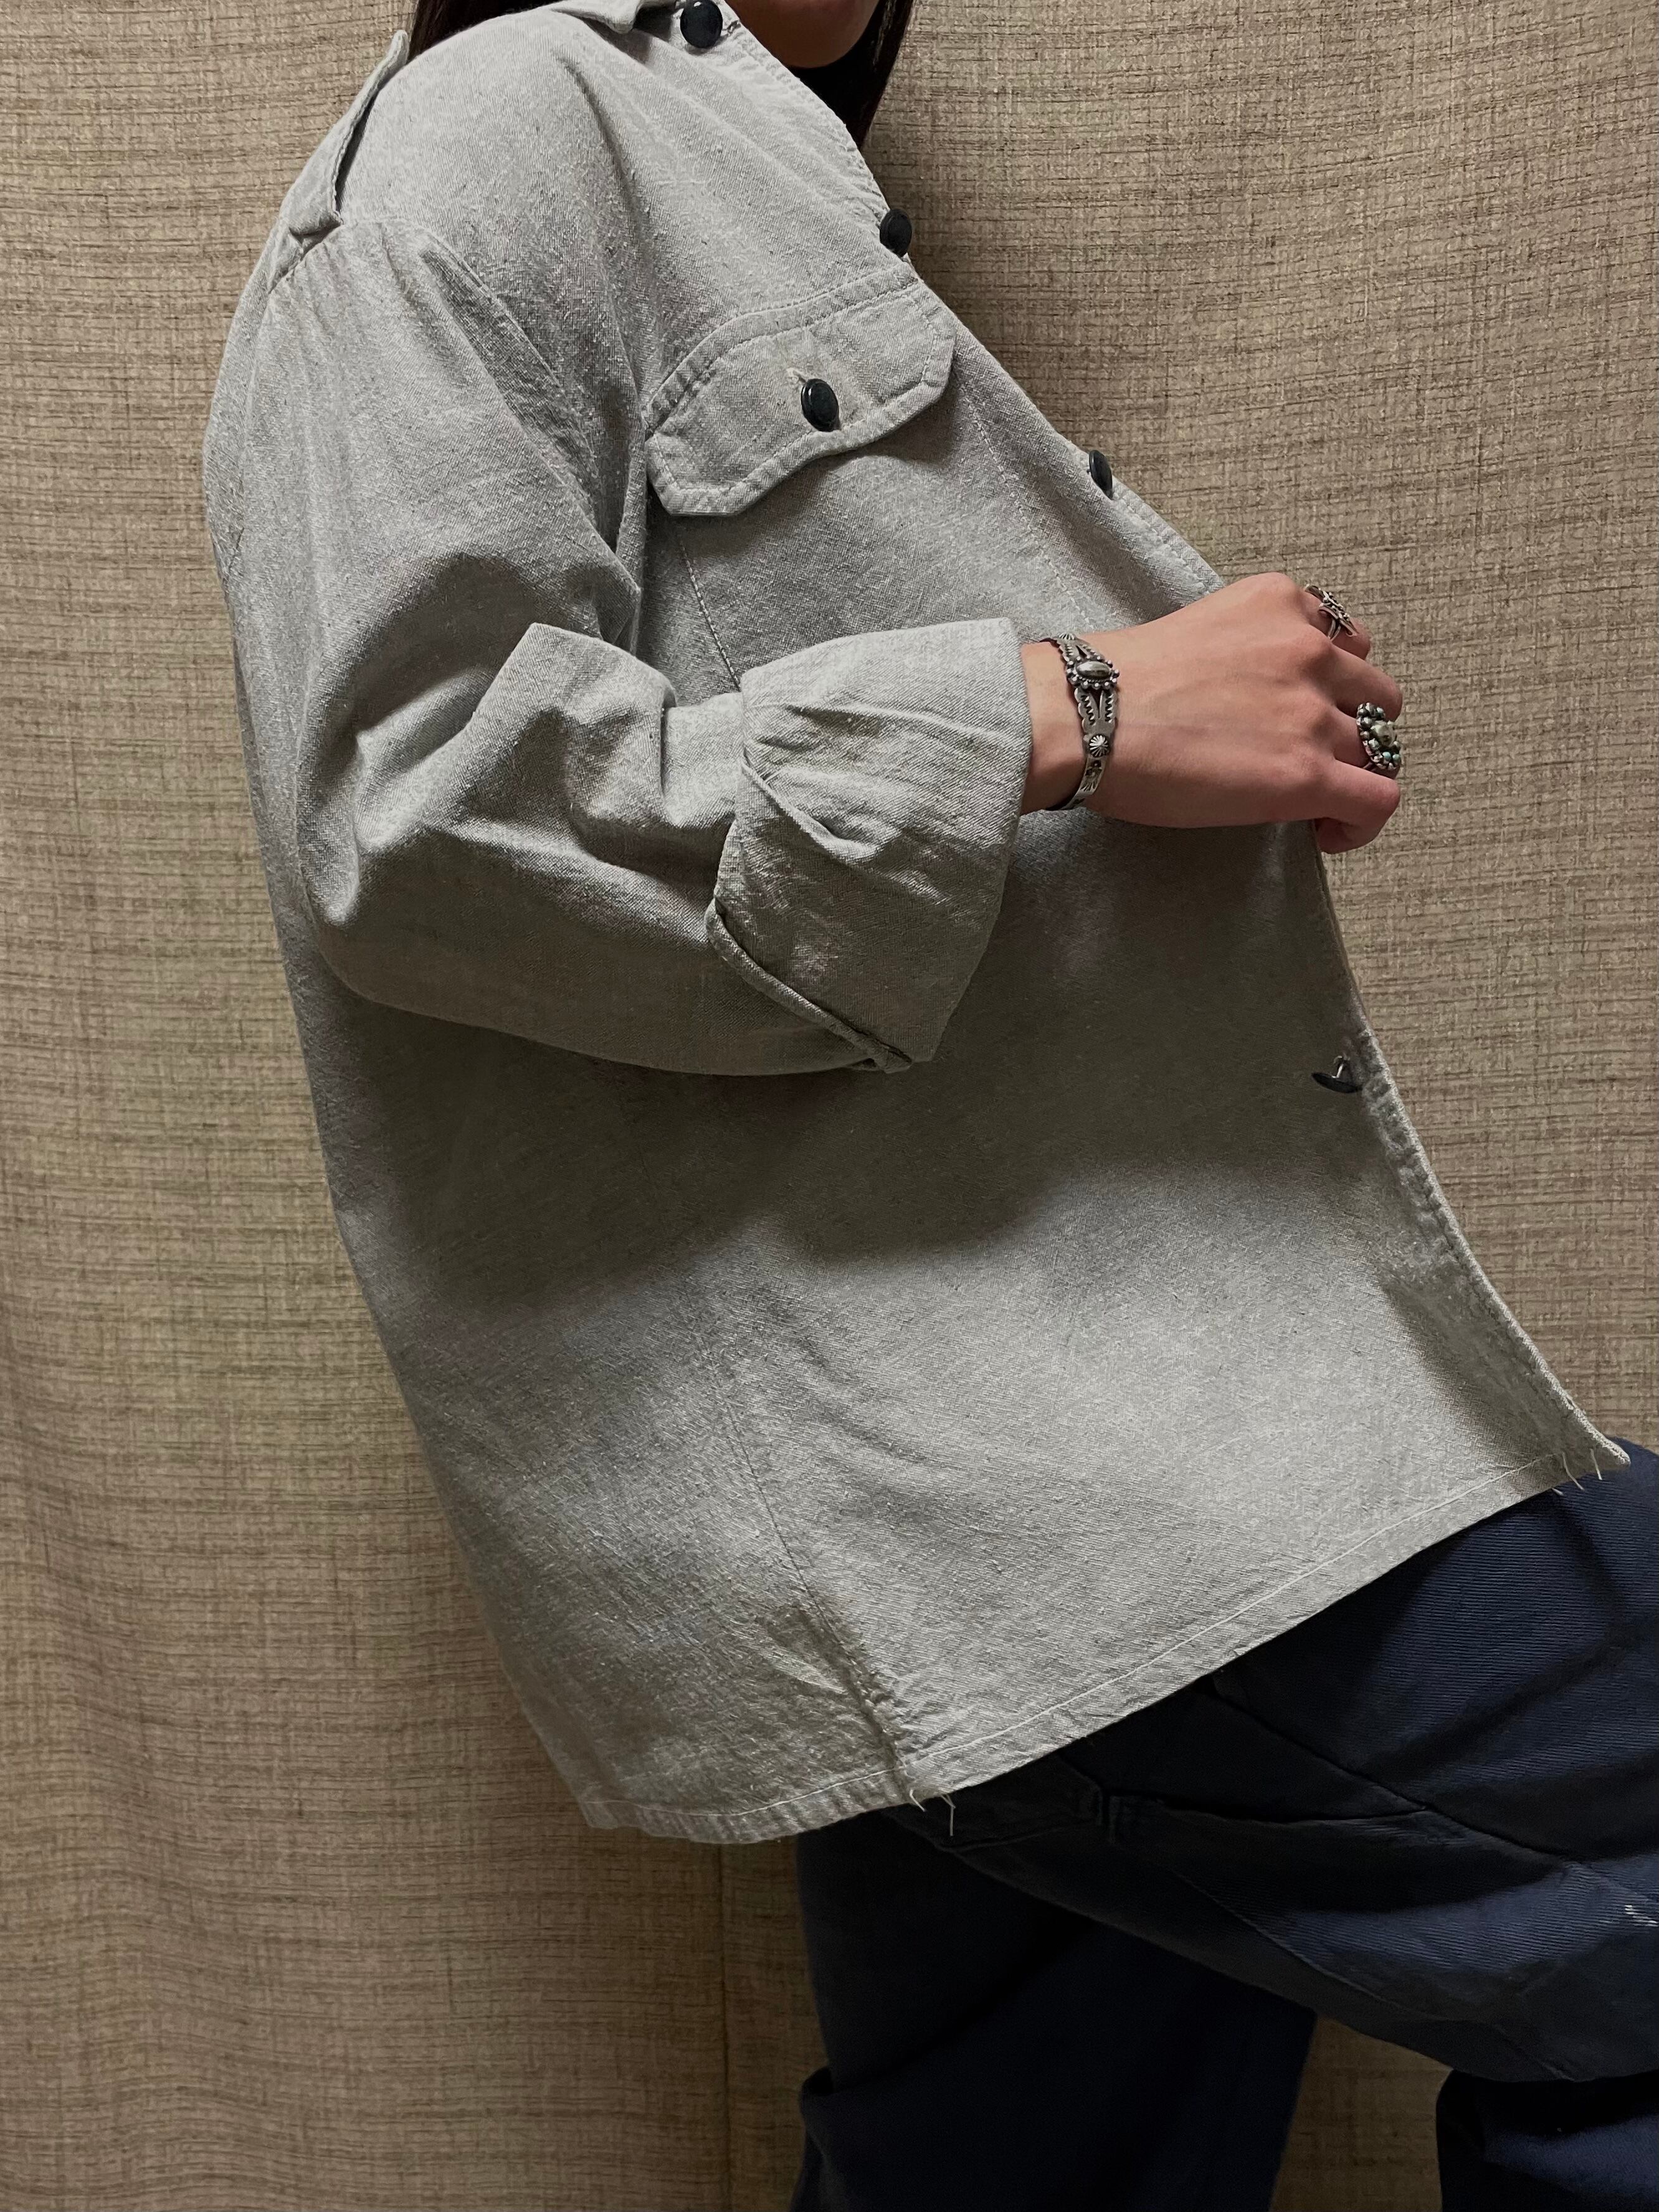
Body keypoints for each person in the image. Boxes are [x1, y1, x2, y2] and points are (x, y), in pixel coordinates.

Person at [200, 0, 1656, 2203]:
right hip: (1026, 1474)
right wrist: (1071, 704)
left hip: (1031, 1441)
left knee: (1026, 2162)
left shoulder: (747, 166)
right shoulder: (496, 130)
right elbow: (416, 812)